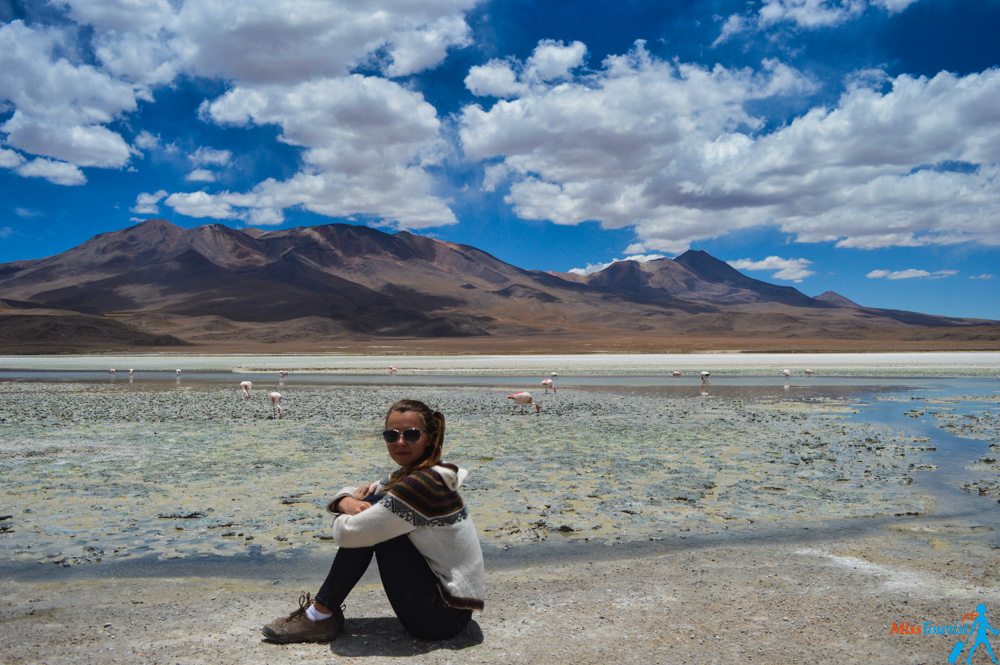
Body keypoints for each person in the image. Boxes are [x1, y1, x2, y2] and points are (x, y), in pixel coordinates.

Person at [262, 399, 485, 643]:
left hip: (441, 619)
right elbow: (363, 491)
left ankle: (320, 616)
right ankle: (322, 613)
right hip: (453, 609)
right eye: (391, 435)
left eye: (411, 434)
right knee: (379, 506)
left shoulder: (422, 485)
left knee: (376, 524)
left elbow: (348, 534)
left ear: (429, 437)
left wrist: (348, 512)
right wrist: (343, 502)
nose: (400, 442)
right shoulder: (415, 474)